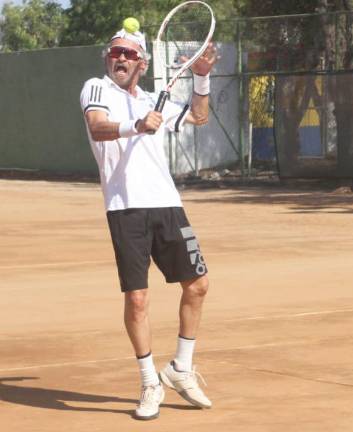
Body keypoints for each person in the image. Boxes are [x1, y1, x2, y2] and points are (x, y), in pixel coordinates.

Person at [79, 22, 218, 420]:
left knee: (199, 285)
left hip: (168, 205)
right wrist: (136, 125)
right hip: (125, 209)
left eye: (128, 53)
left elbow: (199, 117)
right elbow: (97, 127)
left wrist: (202, 78)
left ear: (141, 62)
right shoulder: (96, 87)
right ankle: (148, 382)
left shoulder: (152, 99)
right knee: (137, 299)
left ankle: (180, 368)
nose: (119, 58)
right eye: (115, 52)